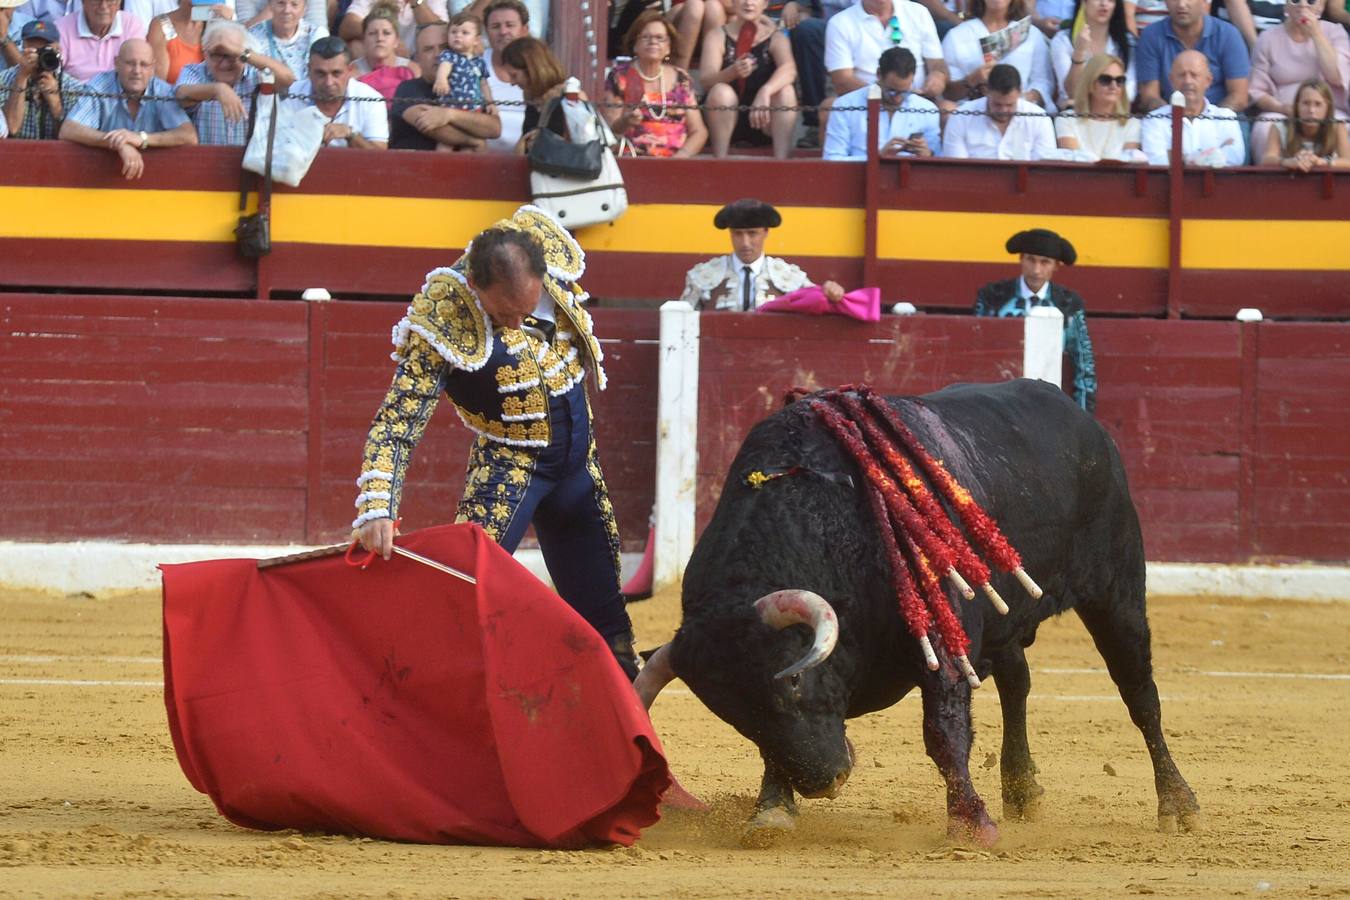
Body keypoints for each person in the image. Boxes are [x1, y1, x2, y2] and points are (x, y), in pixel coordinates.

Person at [351, 206, 641, 681]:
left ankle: (624, 730)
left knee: (606, 617)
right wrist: (377, 505)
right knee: (462, 596)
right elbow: (398, 419)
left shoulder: (548, 259)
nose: (518, 320)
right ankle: (424, 697)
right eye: (505, 312)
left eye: (527, 308)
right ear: (478, 288)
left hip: (579, 465)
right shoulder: (443, 316)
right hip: (510, 468)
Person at [973, 227, 1096, 412]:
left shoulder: (1069, 304)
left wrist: (1083, 418)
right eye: (1031, 260)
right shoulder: (993, 297)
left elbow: (1084, 365)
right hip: (998, 401)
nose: (1036, 270)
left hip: (1047, 401)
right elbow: (977, 352)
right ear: (1021, 259)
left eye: (1045, 262)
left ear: (1056, 266)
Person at [59, 38, 196, 177]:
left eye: (144, 65)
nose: (137, 71)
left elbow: (189, 136)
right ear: (116, 63)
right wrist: (119, 143)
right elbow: (69, 129)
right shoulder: (100, 86)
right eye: (130, 63)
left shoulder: (162, 91)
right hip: (100, 180)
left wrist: (141, 139)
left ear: (153, 68)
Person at [679, 199, 846, 310]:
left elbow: (818, 303)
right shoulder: (703, 276)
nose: (745, 243)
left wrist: (830, 293)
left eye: (752, 234)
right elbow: (681, 326)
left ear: (765, 233)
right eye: (738, 234)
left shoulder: (789, 276)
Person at [1248, 0, 1349, 161]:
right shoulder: (1267, 38)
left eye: (1311, 1)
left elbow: (1336, 76)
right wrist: (1283, 108)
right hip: (1281, 110)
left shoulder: (1335, 32)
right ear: (1286, 6)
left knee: (1344, 126)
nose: (1303, 5)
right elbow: (1257, 90)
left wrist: (1316, 34)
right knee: (1264, 128)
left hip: (1329, 111)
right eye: (1295, 0)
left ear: (1321, 6)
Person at [601, 10, 707, 157]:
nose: (653, 42)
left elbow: (699, 131)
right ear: (635, 45)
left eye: (660, 38)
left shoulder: (681, 79)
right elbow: (610, 131)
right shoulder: (619, 77)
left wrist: (680, 157)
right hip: (632, 161)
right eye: (646, 37)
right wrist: (626, 121)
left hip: (676, 164)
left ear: (669, 47)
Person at [701, 0, 799, 158]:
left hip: (762, 118)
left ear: (765, 4)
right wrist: (731, 72)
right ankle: (720, 160)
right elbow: (705, 81)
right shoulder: (717, 35)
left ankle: (782, 160)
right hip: (724, 118)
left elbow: (789, 69)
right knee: (721, 91)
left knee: (785, 91)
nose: (748, 3)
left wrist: (765, 91)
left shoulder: (776, 37)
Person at [175, 19, 295, 146]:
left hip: (251, 162)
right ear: (205, 54)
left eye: (231, 55)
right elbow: (181, 94)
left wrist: (243, 53)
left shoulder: (256, 73)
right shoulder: (195, 71)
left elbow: (287, 80)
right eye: (217, 55)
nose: (224, 63)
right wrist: (218, 90)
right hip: (206, 161)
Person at [389, 20, 499, 150]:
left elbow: (494, 128)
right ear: (417, 58)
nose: (438, 55)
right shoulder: (407, 88)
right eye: (428, 49)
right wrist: (474, 140)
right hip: (418, 166)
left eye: (443, 47)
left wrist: (450, 114)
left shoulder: (469, 87)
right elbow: (426, 123)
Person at [825, 0, 950, 112]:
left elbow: (937, 63)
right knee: (829, 107)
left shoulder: (918, 12)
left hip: (918, 101)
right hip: (866, 102)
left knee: (948, 109)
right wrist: (885, 95)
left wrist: (938, 76)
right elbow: (842, 80)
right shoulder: (840, 23)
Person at [824, 45, 941, 158]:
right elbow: (833, 158)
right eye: (891, 91)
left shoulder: (927, 109)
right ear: (879, 74)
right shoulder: (845, 105)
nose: (897, 98)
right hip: (860, 177)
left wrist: (928, 155)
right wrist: (876, 157)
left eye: (905, 92)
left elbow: (938, 160)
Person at [1134, 0, 1250, 112]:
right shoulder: (1151, 36)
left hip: (1221, 117)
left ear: (1204, 1)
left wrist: (1210, 119)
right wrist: (1175, 119)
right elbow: (1149, 97)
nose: (1181, 4)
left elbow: (1239, 97)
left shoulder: (1228, 34)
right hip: (1168, 118)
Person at [942, 0, 1056, 110]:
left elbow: (1043, 81)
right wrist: (972, 79)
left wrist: (1022, 98)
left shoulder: (1031, 34)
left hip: (1022, 113)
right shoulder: (957, 35)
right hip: (972, 114)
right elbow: (948, 92)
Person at [1141, 48, 1244, 163]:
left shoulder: (1226, 117)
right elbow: (1157, 161)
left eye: (1194, 75)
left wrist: (1180, 159)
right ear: (1171, 80)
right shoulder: (1154, 120)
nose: (1188, 81)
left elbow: (1234, 159)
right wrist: (1211, 155)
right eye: (1181, 75)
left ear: (1208, 81)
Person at [287, 35, 388, 147]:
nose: (329, 82)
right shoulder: (292, 94)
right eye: (321, 74)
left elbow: (379, 156)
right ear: (309, 70)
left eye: (336, 74)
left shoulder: (372, 100)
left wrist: (351, 135)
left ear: (350, 71)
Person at [942, 61, 1057, 157]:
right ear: (987, 91)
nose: (1003, 110)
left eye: (1010, 105)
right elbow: (957, 170)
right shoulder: (961, 117)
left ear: (1020, 92)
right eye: (997, 104)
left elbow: (1043, 170)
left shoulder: (1039, 119)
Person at [1, 18, 82, 139]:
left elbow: (70, 136)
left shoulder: (71, 86)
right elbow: (12, 128)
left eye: (45, 50)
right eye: (35, 50)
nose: (39, 56)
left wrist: (55, 101)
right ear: (24, 47)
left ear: (58, 50)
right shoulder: (4, 80)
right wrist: (22, 77)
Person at [1054, 53, 1142, 159]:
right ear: (1090, 82)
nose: (1113, 86)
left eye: (1119, 80)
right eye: (1105, 80)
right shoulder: (1066, 119)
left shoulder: (1132, 123)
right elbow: (1074, 164)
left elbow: (1127, 167)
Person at [1049, 0, 1134, 108]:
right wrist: (1079, 52)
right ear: (1083, 2)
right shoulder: (1063, 40)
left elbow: (1130, 91)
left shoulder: (1128, 43)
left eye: (1110, 0)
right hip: (1075, 113)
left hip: (1115, 111)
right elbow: (1072, 93)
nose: (1104, 3)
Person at [1259, 77, 1350, 168]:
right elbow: (1267, 159)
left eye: (1318, 104)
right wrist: (1287, 162)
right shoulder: (1279, 127)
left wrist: (1321, 162)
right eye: (1306, 103)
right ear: (1297, 105)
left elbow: (1348, 161)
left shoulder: (1337, 127)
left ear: (1328, 107)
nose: (1311, 110)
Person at [498, 34, 568, 151]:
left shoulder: (568, 96)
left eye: (514, 75)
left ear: (531, 69)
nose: (512, 83)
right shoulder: (531, 98)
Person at [52, 0, 148, 81]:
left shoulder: (131, 25)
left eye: (110, 0)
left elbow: (135, 72)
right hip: (74, 98)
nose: (103, 6)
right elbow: (54, 74)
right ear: (83, 2)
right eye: (96, 0)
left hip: (120, 98)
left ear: (119, 2)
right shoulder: (61, 28)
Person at [147, 0, 234, 85]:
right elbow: (158, 85)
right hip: (173, 97)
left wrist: (228, 26)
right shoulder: (161, 25)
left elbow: (231, 71)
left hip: (210, 97)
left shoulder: (214, 25)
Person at [481, 0, 525, 151]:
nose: (503, 31)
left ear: (524, 30)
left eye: (510, 25)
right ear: (486, 32)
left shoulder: (540, 68)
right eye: (495, 26)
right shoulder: (474, 66)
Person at [339, 0, 446, 59]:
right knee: (356, 46)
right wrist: (390, 42)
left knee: (440, 48)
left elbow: (441, 30)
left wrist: (416, 2)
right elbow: (347, 27)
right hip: (380, 56)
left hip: (418, 59)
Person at [355, 1, 417, 100]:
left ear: (396, 40)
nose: (380, 38)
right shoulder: (351, 74)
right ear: (363, 40)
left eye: (386, 33)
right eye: (372, 33)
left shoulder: (413, 70)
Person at [246, 0, 323, 78]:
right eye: (281, 3)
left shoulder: (316, 34)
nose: (287, 10)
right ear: (270, 6)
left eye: (294, 4)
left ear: (304, 9)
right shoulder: (253, 35)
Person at [431, 10, 487, 110]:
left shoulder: (479, 61)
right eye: (453, 32)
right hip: (452, 106)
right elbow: (445, 66)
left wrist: (490, 102)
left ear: (476, 40)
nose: (458, 35)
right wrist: (441, 79)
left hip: (475, 107)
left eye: (465, 33)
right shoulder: (450, 55)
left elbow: (483, 83)